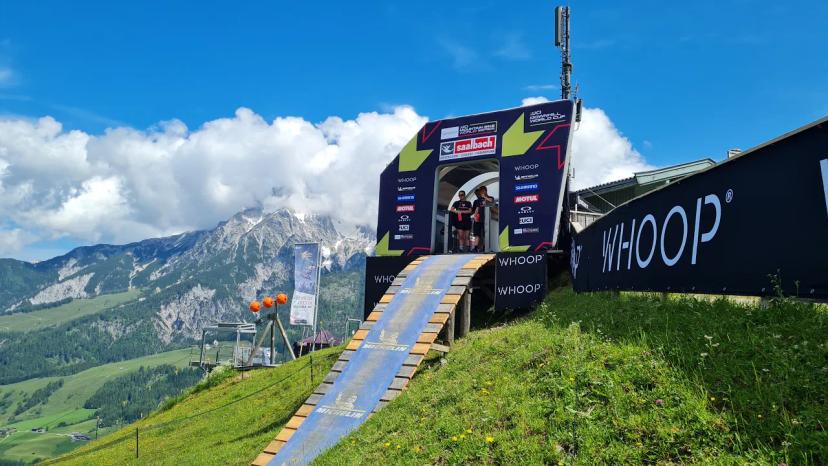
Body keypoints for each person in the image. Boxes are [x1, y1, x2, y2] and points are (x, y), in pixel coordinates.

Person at [471, 186, 496, 252]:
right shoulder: (478, 200)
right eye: (480, 191)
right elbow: (477, 208)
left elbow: (491, 201)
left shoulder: (490, 197)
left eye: (482, 190)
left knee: (486, 233)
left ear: (485, 190)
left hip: (486, 219)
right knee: (477, 234)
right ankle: (475, 248)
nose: (481, 192)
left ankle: (486, 247)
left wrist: (484, 197)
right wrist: (475, 217)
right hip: (478, 219)